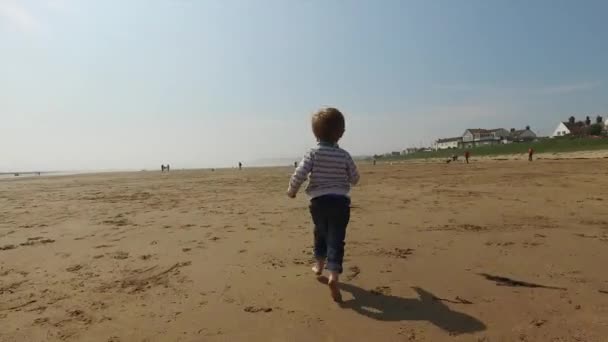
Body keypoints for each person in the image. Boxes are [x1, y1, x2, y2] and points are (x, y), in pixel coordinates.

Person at [287, 107, 360, 302]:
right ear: (341, 133)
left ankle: (319, 264)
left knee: (320, 231)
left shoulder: (312, 154)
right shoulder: (344, 155)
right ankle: (333, 275)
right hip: (340, 203)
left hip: (318, 202)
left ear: (314, 133)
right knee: (336, 238)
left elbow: (299, 174)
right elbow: (355, 178)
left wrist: (292, 190)